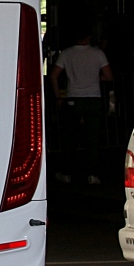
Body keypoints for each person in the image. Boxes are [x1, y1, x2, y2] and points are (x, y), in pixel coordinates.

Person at [49, 29, 113, 185]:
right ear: (89, 36)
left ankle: (67, 172)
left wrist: (59, 97)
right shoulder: (98, 54)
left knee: (69, 137)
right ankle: (92, 174)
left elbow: (53, 75)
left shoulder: (66, 53)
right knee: (93, 138)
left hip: (73, 98)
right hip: (93, 98)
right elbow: (109, 76)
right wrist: (96, 77)